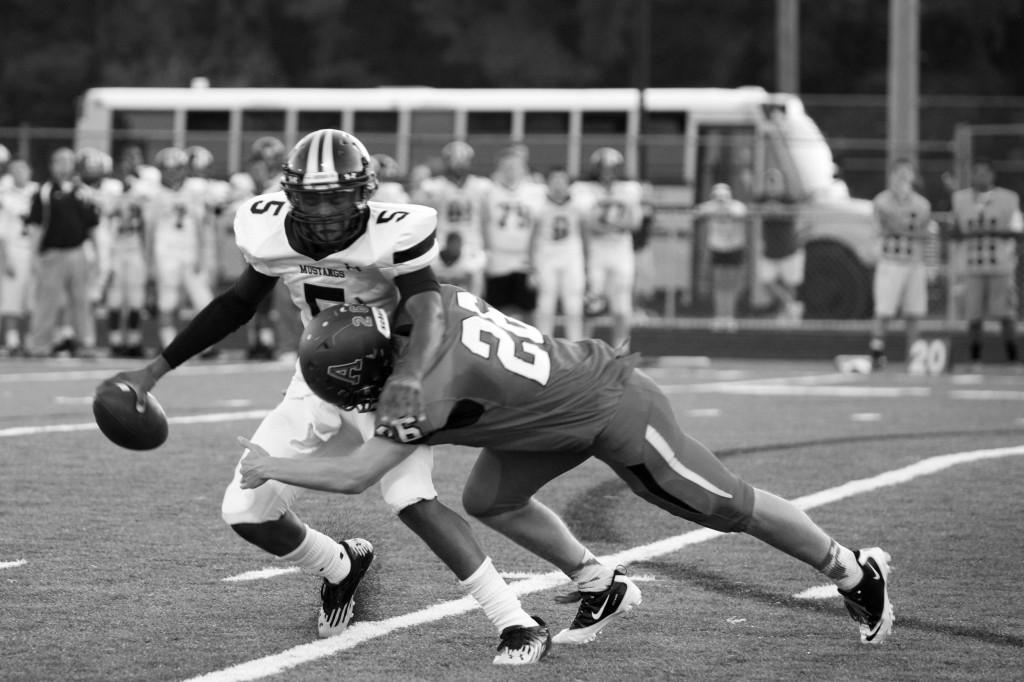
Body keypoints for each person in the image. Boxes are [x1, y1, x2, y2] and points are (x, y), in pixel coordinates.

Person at [100, 129, 549, 665]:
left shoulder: (393, 230)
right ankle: (340, 567)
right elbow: (236, 304)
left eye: (339, 196)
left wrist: (410, 378)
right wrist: (155, 370)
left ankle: (516, 621)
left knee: (411, 500)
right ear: (292, 195)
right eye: (313, 198)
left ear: (364, 192)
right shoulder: (267, 229)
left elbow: (427, 306)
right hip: (315, 377)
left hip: (386, 377)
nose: (328, 210)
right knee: (245, 509)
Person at [238, 284, 896, 648]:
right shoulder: (421, 310)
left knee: (725, 505)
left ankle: (848, 568)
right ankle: (597, 581)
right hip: (544, 416)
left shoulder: (425, 387)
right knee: (491, 499)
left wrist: (271, 464)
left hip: (610, 408)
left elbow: (357, 474)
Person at [24, 147, 100, 358]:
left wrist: (97, 254)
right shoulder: (44, 191)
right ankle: (40, 344)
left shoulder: (83, 192)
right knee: (47, 301)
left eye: (68, 161)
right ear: (52, 165)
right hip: (52, 254)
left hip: (77, 252)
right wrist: (34, 256)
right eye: (59, 161)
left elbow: (92, 226)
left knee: (81, 301)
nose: (64, 165)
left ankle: (86, 343)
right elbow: (37, 226)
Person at [949, 159, 1024, 368]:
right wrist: (965, 233)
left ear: (992, 175)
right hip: (972, 265)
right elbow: (953, 230)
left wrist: (990, 232)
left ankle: (1013, 358)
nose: (979, 177)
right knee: (973, 314)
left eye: (984, 173)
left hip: (1000, 265)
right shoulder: (960, 199)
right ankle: (975, 358)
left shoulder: (1009, 198)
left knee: (1006, 313)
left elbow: (1018, 232)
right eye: (976, 173)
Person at [144, 147, 215, 352]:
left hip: (190, 253)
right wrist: (149, 261)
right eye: (168, 169)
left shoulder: (195, 191)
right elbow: (149, 232)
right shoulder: (155, 194)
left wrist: (203, 256)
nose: (173, 173)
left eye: (177, 168)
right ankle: (170, 346)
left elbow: (201, 227)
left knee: (204, 302)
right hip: (165, 254)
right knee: (167, 301)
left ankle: (205, 346)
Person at [868, 159, 934, 369]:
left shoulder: (922, 204)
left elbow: (926, 233)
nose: (902, 179)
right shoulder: (882, 201)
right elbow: (884, 228)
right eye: (898, 174)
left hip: (914, 262)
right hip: (890, 261)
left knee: (914, 312)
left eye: (906, 175)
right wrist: (906, 229)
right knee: (884, 310)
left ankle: (915, 356)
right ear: (891, 176)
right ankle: (876, 353)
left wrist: (931, 264)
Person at [578, 148, 643, 349]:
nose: (608, 173)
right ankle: (584, 351)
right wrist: (611, 225)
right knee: (592, 304)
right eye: (604, 169)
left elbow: (635, 222)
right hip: (596, 250)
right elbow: (588, 223)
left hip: (621, 250)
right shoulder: (584, 189)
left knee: (622, 306)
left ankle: (622, 351)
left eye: (612, 169)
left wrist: (608, 225)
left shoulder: (629, 189)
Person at [413, 141, 490, 296]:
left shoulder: (481, 185)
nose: (458, 164)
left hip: (471, 241)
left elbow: (486, 218)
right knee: (430, 277)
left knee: (475, 275)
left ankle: (475, 314)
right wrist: (418, 184)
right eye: (454, 159)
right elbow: (416, 206)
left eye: (462, 159)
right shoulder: (435, 186)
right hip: (441, 241)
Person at [482, 146, 543, 321]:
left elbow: (539, 226)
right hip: (499, 256)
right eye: (506, 167)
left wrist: (535, 257)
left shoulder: (535, 191)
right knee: (497, 309)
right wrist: (487, 250)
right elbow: (484, 222)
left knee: (528, 307)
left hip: (525, 257)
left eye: (515, 166)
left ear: (523, 168)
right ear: (499, 169)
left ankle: (530, 346)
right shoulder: (489, 191)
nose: (511, 171)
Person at [529, 166, 588, 341]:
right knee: (545, 306)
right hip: (546, 259)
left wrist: (587, 263)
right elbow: (532, 237)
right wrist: (531, 266)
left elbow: (585, 235)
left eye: (562, 180)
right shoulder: (539, 204)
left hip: (571, 258)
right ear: (547, 183)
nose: (558, 185)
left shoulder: (578, 204)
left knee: (574, 307)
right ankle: (544, 347)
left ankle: (576, 346)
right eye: (554, 180)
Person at [696, 183, 748, 332]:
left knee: (730, 285)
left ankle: (730, 316)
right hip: (718, 248)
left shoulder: (737, 206)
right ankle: (719, 316)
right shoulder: (710, 207)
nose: (721, 201)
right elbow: (697, 212)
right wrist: (712, 209)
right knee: (719, 284)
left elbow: (740, 214)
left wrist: (723, 210)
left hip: (734, 248)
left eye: (723, 198)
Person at [757, 168, 805, 324]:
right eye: (769, 183)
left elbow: (794, 211)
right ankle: (791, 306)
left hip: (788, 249)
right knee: (767, 280)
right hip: (770, 250)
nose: (772, 187)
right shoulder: (762, 199)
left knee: (790, 284)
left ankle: (786, 315)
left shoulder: (789, 199)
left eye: (775, 182)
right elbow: (754, 208)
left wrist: (778, 209)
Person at [0, 159, 38, 355]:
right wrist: (6, 258)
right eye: (14, 170)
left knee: (33, 300)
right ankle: (12, 341)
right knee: (11, 299)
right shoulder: (4, 196)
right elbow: (2, 232)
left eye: (23, 168)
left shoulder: (39, 192)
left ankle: (31, 341)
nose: (19, 173)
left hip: (36, 251)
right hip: (14, 252)